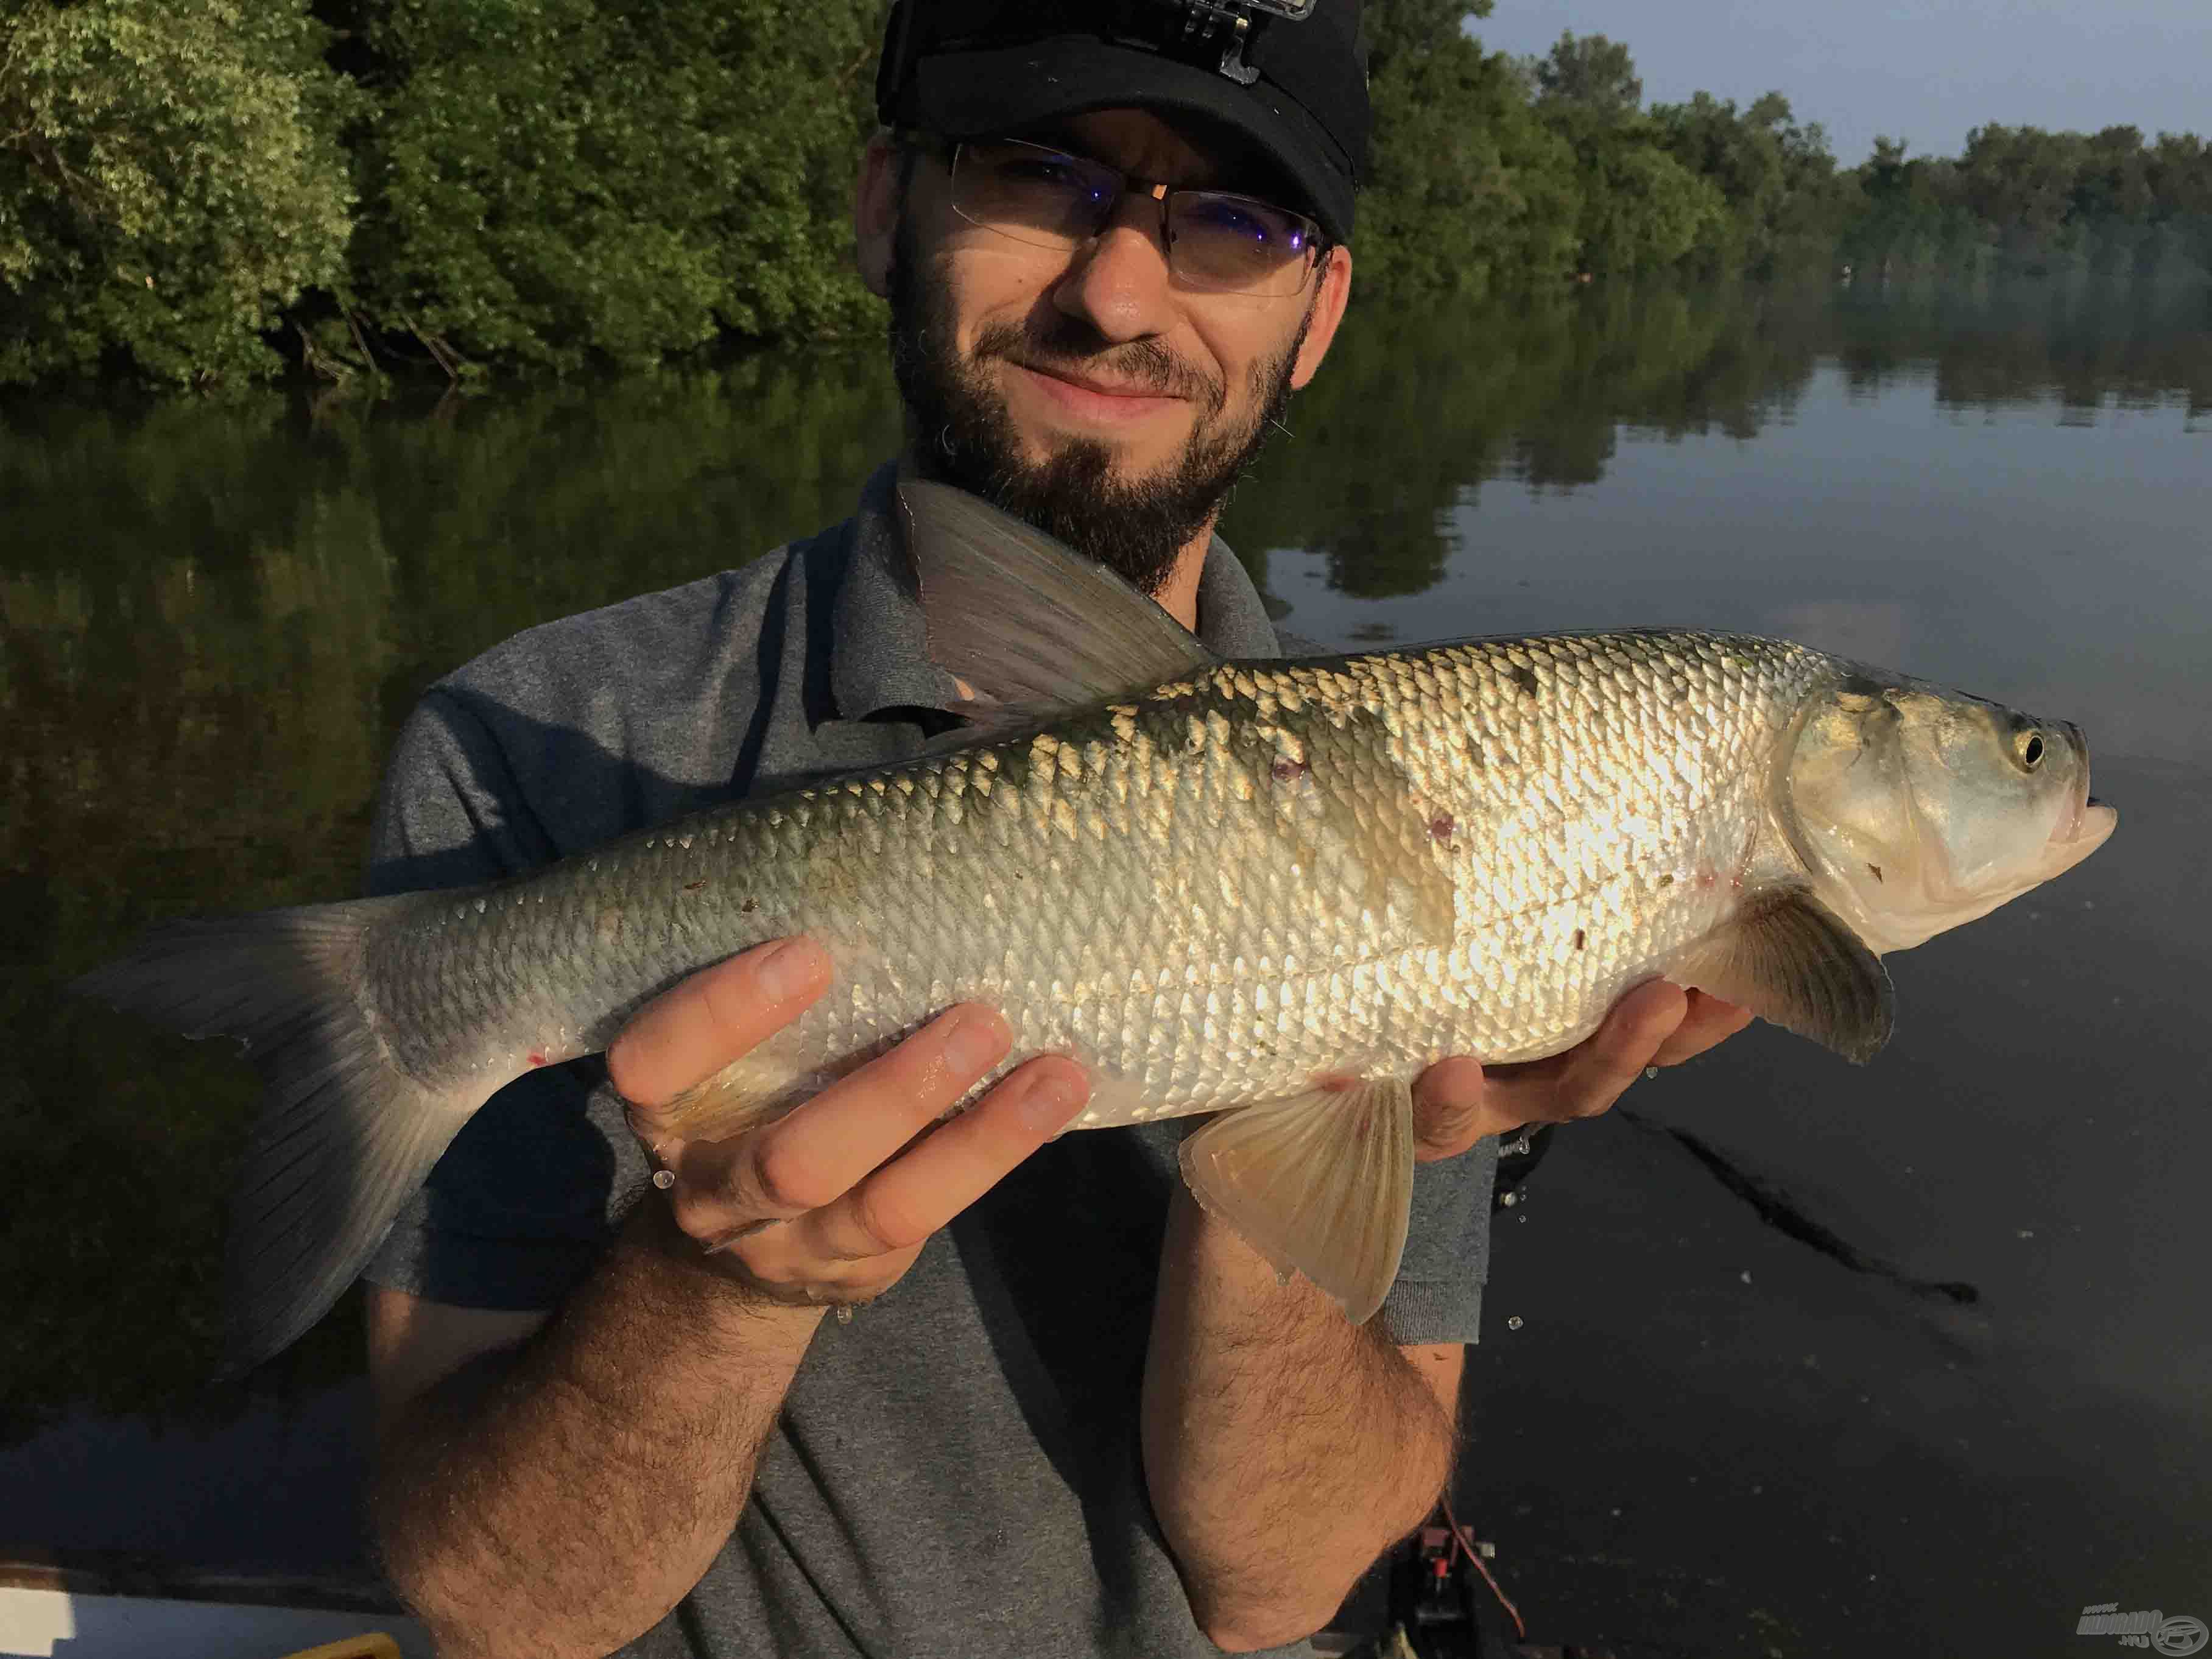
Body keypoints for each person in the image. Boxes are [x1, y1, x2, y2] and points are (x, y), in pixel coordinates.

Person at [360, 4, 1750, 1656]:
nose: (1116, 294)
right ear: (887, 203)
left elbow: (1277, 1588)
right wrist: (714, 1283)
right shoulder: (544, 745)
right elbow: (497, 1609)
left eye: (1229, 222)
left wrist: (1302, 1129)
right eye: (1040, 170)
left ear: (1319, 315)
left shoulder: (1462, 797)